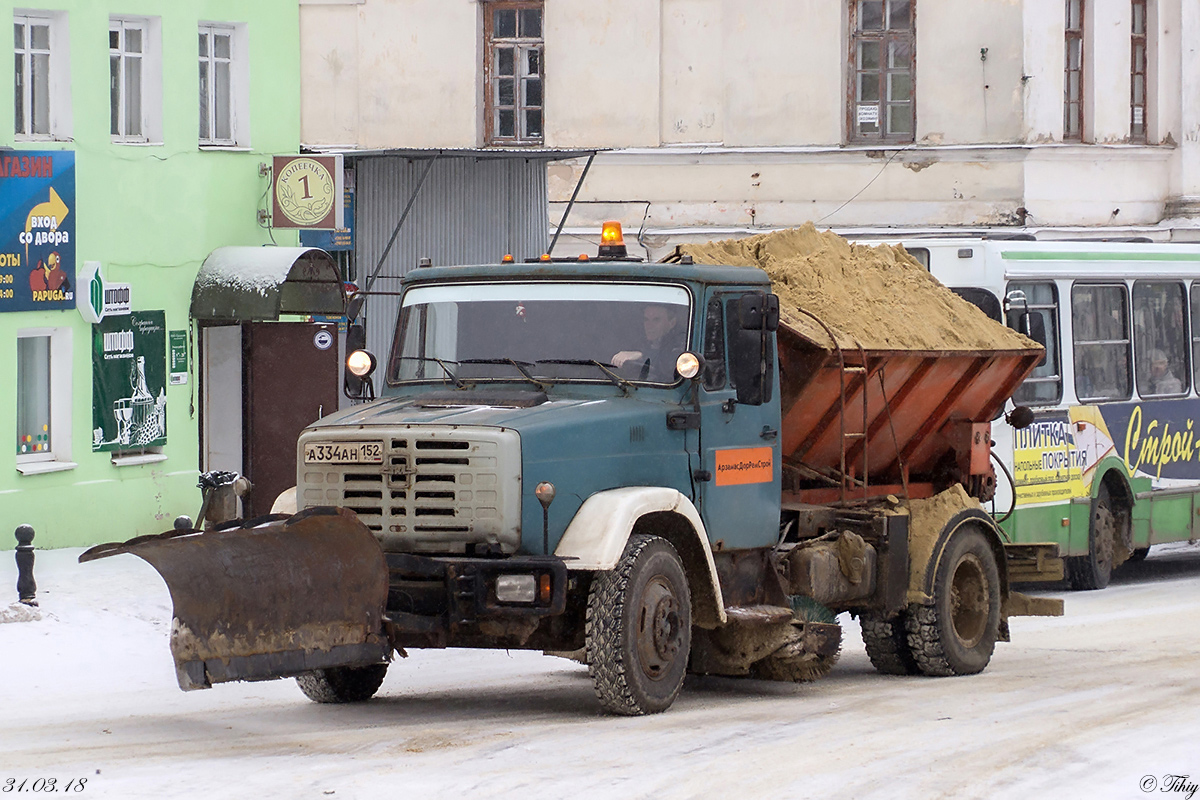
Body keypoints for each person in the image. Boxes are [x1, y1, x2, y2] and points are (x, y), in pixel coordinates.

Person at [612, 304, 685, 382]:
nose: (649, 325)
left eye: (656, 320)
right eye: (646, 319)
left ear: (672, 323)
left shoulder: (681, 342)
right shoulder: (637, 341)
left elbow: (669, 371)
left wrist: (641, 355)